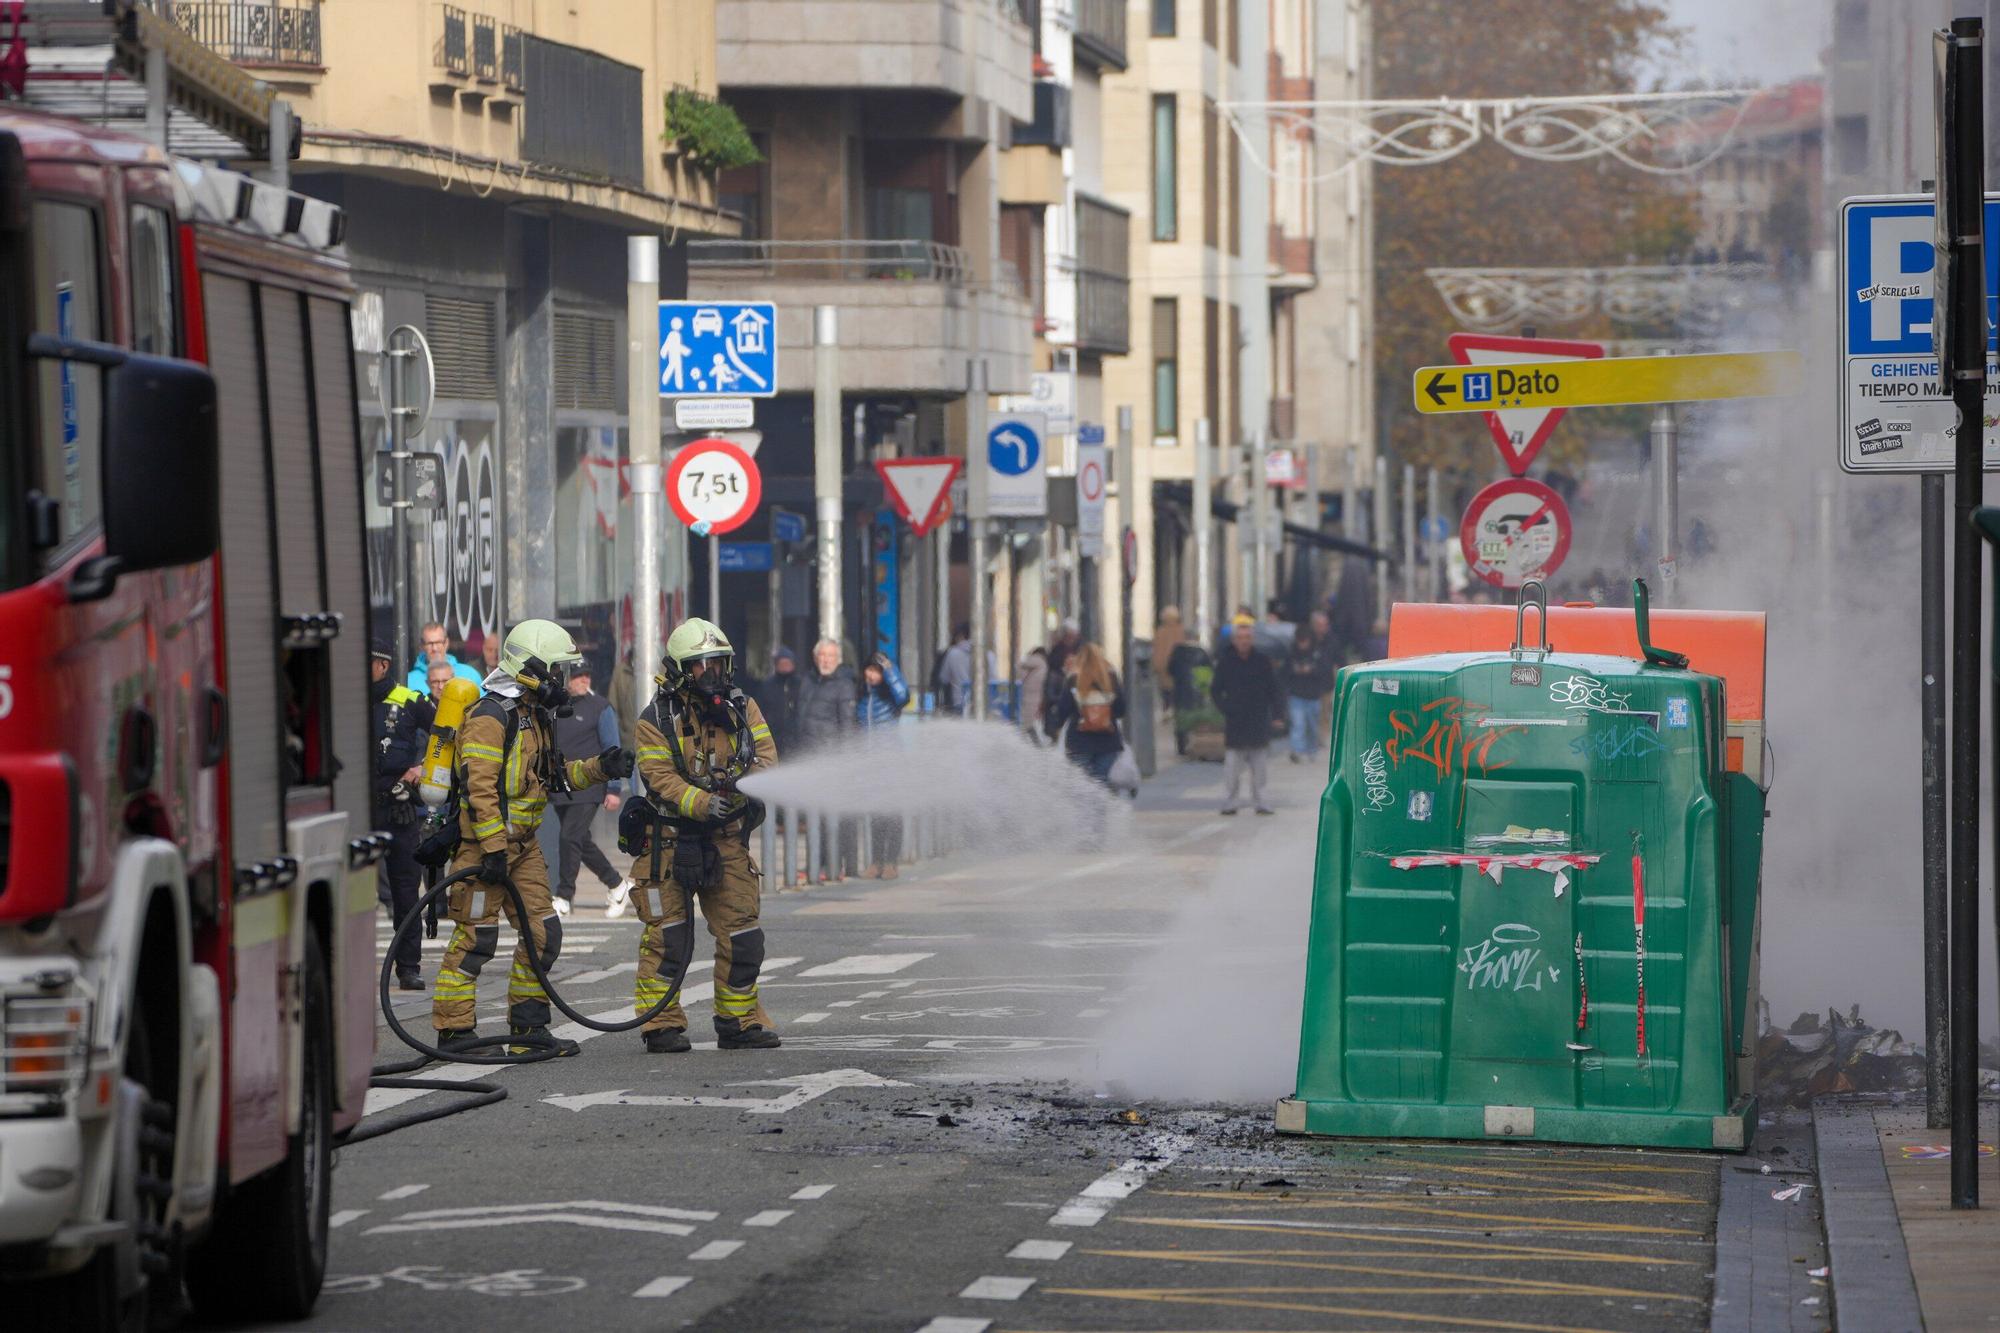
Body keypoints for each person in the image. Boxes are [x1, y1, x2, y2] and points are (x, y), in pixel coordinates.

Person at [431, 619, 632, 1056]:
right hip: (484, 850)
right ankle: (456, 1033)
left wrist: (604, 766)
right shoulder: (490, 716)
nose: (561, 681)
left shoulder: (533, 716)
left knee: (544, 935)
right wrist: (492, 849)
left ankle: (528, 1030)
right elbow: (478, 790)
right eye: (556, 671)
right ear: (531, 669)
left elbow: (554, 777)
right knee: (474, 942)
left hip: (521, 850)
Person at [627, 618, 782, 1053]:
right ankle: (660, 1026)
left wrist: (738, 792)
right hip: (668, 845)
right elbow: (658, 777)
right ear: (679, 669)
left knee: (744, 935)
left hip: (726, 841)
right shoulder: (655, 718)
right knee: (667, 939)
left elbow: (766, 757)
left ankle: (738, 1022)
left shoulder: (743, 708)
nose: (713, 671)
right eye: (701, 664)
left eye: (719, 662)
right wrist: (700, 801)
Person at [371, 636, 432, 991]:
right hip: (360, 808)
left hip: (401, 809)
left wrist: (423, 767)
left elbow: (447, 735)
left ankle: (408, 967)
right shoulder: (344, 697)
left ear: (383, 665)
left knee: (406, 890)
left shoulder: (410, 700)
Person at [549, 664, 625, 919]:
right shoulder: (556, 706)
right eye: (577, 675)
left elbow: (612, 746)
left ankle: (564, 896)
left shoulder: (600, 707)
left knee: (569, 837)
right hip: (562, 787)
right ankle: (616, 884)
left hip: (590, 785)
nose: (583, 680)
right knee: (580, 841)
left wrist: (613, 788)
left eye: (586, 675)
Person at [794, 638, 859, 881]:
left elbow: (847, 724)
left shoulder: (843, 685)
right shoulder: (808, 681)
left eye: (830, 656)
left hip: (831, 759)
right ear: (815, 657)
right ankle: (815, 863)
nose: (825, 660)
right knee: (814, 815)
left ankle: (834, 864)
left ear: (838, 659)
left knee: (833, 817)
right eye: (822, 656)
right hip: (809, 756)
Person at [1211, 613, 1279, 815]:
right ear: (1234, 640)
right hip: (1235, 721)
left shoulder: (1262, 661)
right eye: (1240, 638)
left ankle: (1261, 801)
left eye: (1247, 638)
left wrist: (1277, 714)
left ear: (1252, 639)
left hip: (1258, 719)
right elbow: (1216, 690)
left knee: (1260, 768)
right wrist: (1226, 707)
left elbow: (1273, 689)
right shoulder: (1226, 662)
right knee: (1232, 767)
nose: (1243, 642)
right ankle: (1231, 801)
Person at [855, 651, 910, 878]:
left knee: (893, 813)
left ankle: (891, 862)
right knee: (876, 814)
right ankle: (876, 861)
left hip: (891, 761)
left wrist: (889, 669)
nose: (871, 675)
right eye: (869, 670)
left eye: (876, 671)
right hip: (870, 763)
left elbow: (904, 695)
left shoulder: (890, 697)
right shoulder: (862, 698)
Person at [1043, 642, 1126, 786]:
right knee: (1101, 783)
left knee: (1081, 784)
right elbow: (1121, 709)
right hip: (1108, 741)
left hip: (1079, 741)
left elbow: (1063, 709)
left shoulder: (1073, 679)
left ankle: (1084, 808)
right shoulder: (1111, 679)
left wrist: (1053, 727)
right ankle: (1100, 808)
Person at [1283, 614, 1335, 763]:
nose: (1302, 645)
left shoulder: (1317, 653)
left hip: (1313, 695)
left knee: (1312, 725)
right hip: (1296, 694)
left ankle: (1312, 749)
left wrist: (1311, 670)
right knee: (1298, 724)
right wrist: (1295, 670)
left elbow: (1324, 669)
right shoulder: (1291, 653)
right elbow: (1285, 672)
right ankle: (1297, 750)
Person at [750, 645, 803, 756]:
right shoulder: (767, 686)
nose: (784, 666)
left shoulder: (801, 685)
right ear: (776, 664)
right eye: (781, 663)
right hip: (774, 737)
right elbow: (760, 711)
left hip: (797, 738)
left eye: (787, 663)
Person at [407, 620, 484, 694]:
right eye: (429, 643)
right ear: (422, 646)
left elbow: (483, 705)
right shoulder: (409, 681)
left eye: (438, 642)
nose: (434, 648)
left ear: (446, 643)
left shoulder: (469, 674)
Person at [936, 623, 973, 715]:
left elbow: (944, 678)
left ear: (960, 636)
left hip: (959, 701)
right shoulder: (989, 655)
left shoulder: (952, 653)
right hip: (984, 703)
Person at [1015, 646, 1049, 740]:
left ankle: (1030, 741)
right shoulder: (1044, 665)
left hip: (1029, 694)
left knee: (1027, 722)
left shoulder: (1031, 662)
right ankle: (1035, 742)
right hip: (1038, 695)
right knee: (1033, 721)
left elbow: (1019, 671)